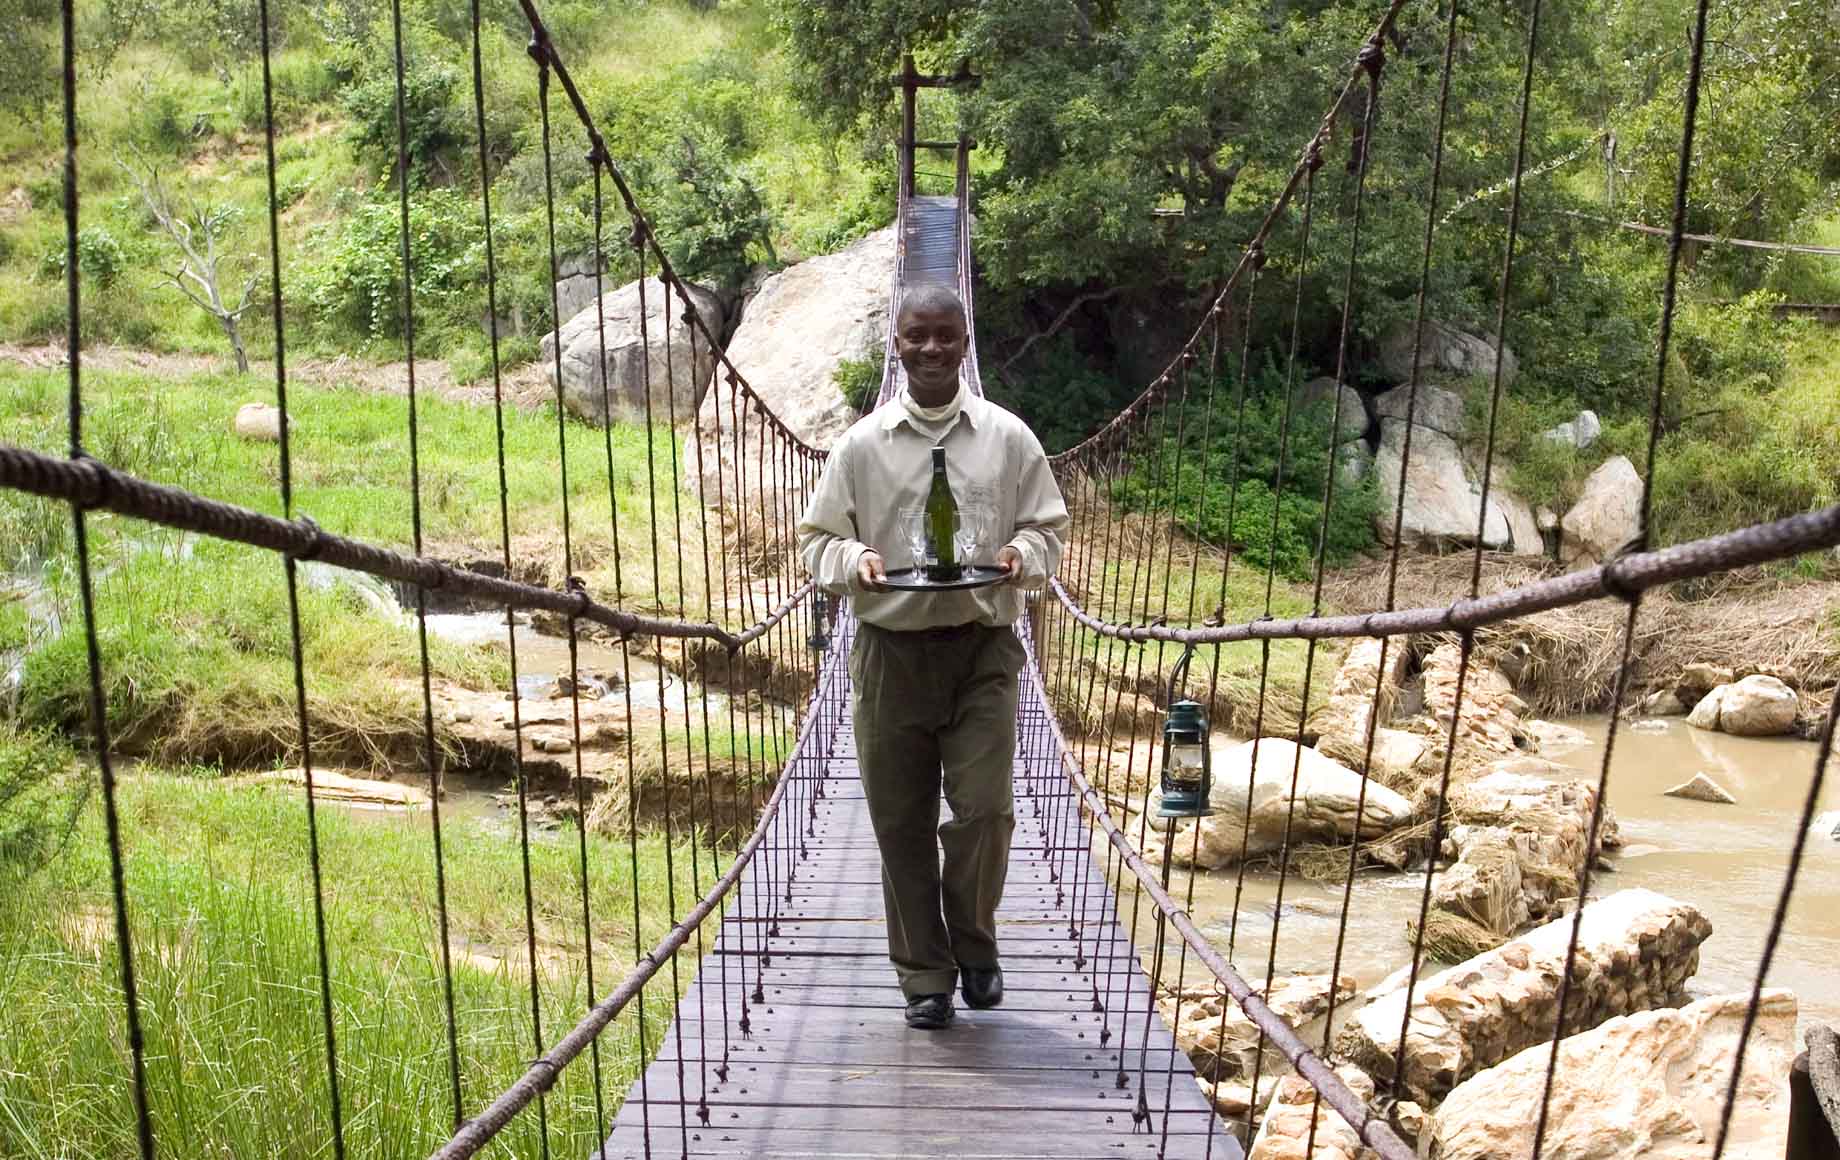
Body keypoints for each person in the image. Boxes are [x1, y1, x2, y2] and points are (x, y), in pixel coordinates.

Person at [796, 283, 1070, 1030]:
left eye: (945, 336)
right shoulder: (860, 447)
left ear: (964, 344)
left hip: (983, 648)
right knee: (899, 825)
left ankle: (974, 944)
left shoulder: (1009, 439)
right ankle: (925, 974)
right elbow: (816, 540)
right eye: (916, 336)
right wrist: (853, 559)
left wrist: (1022, 551)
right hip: (890, 654)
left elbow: (1049, 527)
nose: (931, 349)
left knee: (985, 812)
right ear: (896, 343)